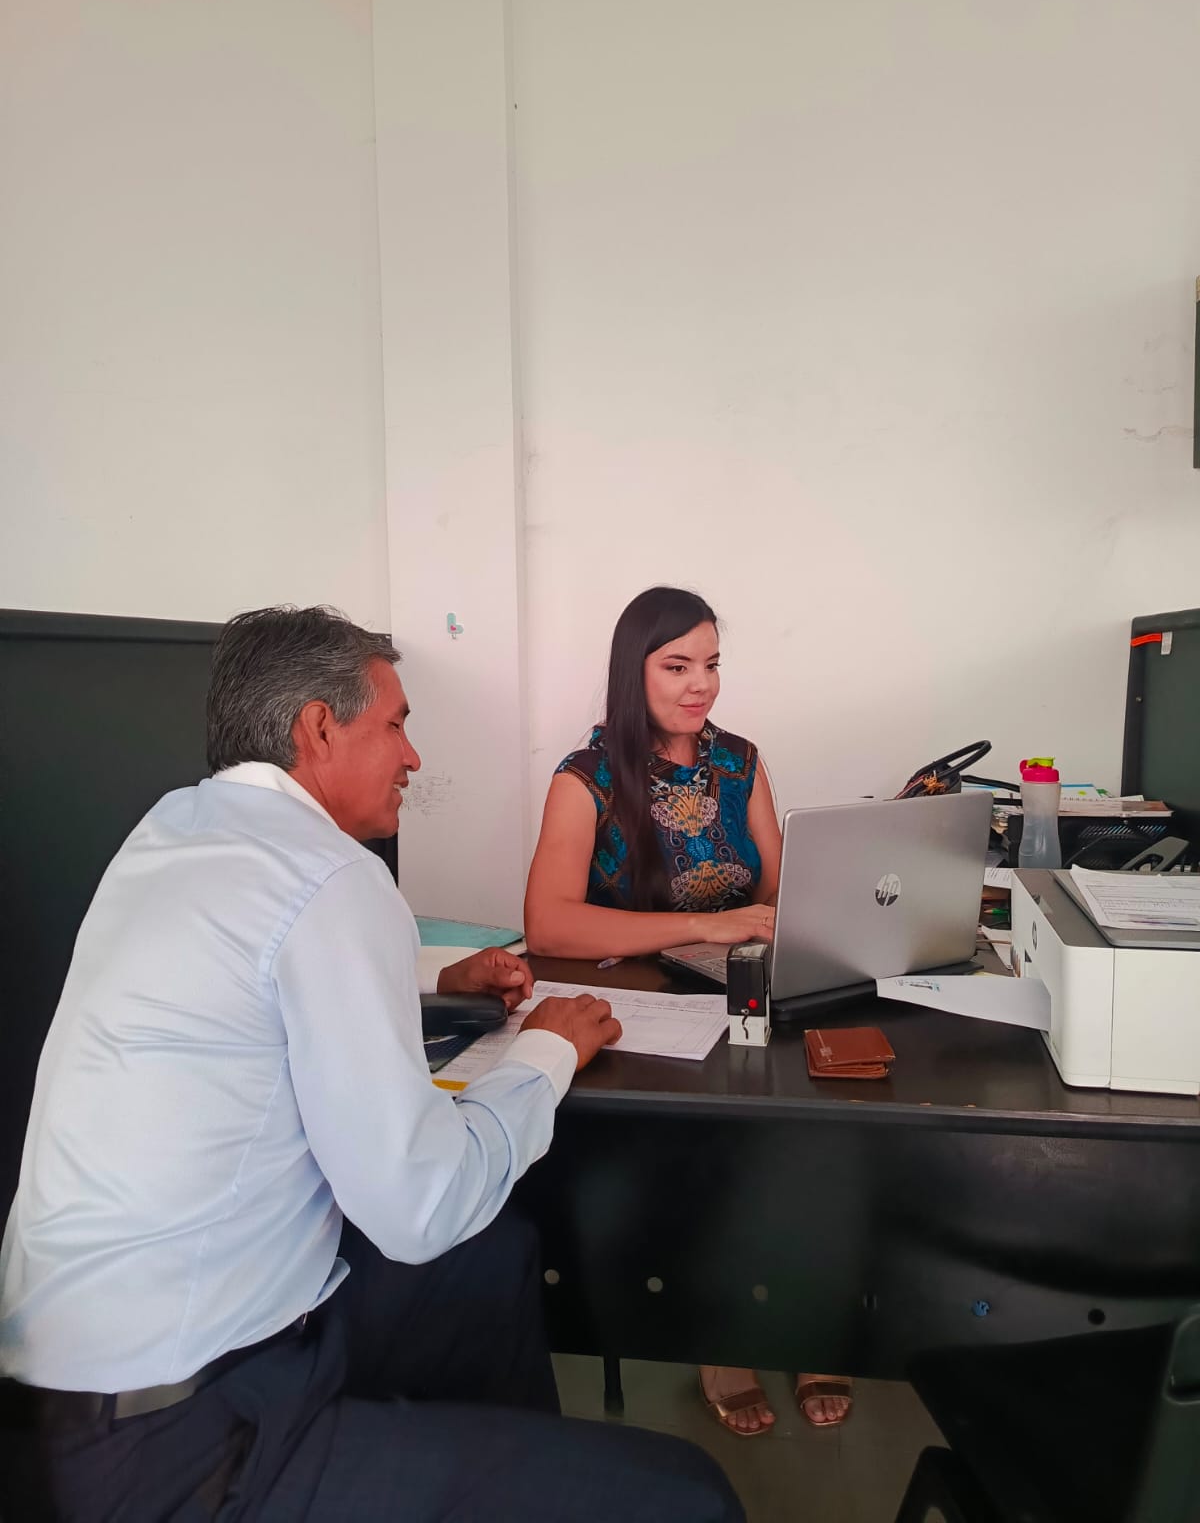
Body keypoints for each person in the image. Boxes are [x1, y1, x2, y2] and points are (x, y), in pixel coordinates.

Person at [0, 605, 743, 1523]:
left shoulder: (174, 828)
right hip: (188, 1442)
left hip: (66, 1393)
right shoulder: (335, 874)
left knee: (488, 1259)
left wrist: (437, 973)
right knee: (692, 1498)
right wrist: (549, 1051)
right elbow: (421, 1204)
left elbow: (259, 965)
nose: (413, 756)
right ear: (319, 728)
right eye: (395, 724)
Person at [524, 585, 853, 1438]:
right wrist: (708, 923)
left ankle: (809, 1320)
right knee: (712, 1154)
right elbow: (548, 923)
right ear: (631, 673)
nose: (700, 683)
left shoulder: (740, 761)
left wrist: (796, 914)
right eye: (676, 666)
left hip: (739, 987)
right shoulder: (586, 778)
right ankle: (720, 1334)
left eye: (710, 664)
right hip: (642, 1010)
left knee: (819, 1137)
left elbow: (778, 886)